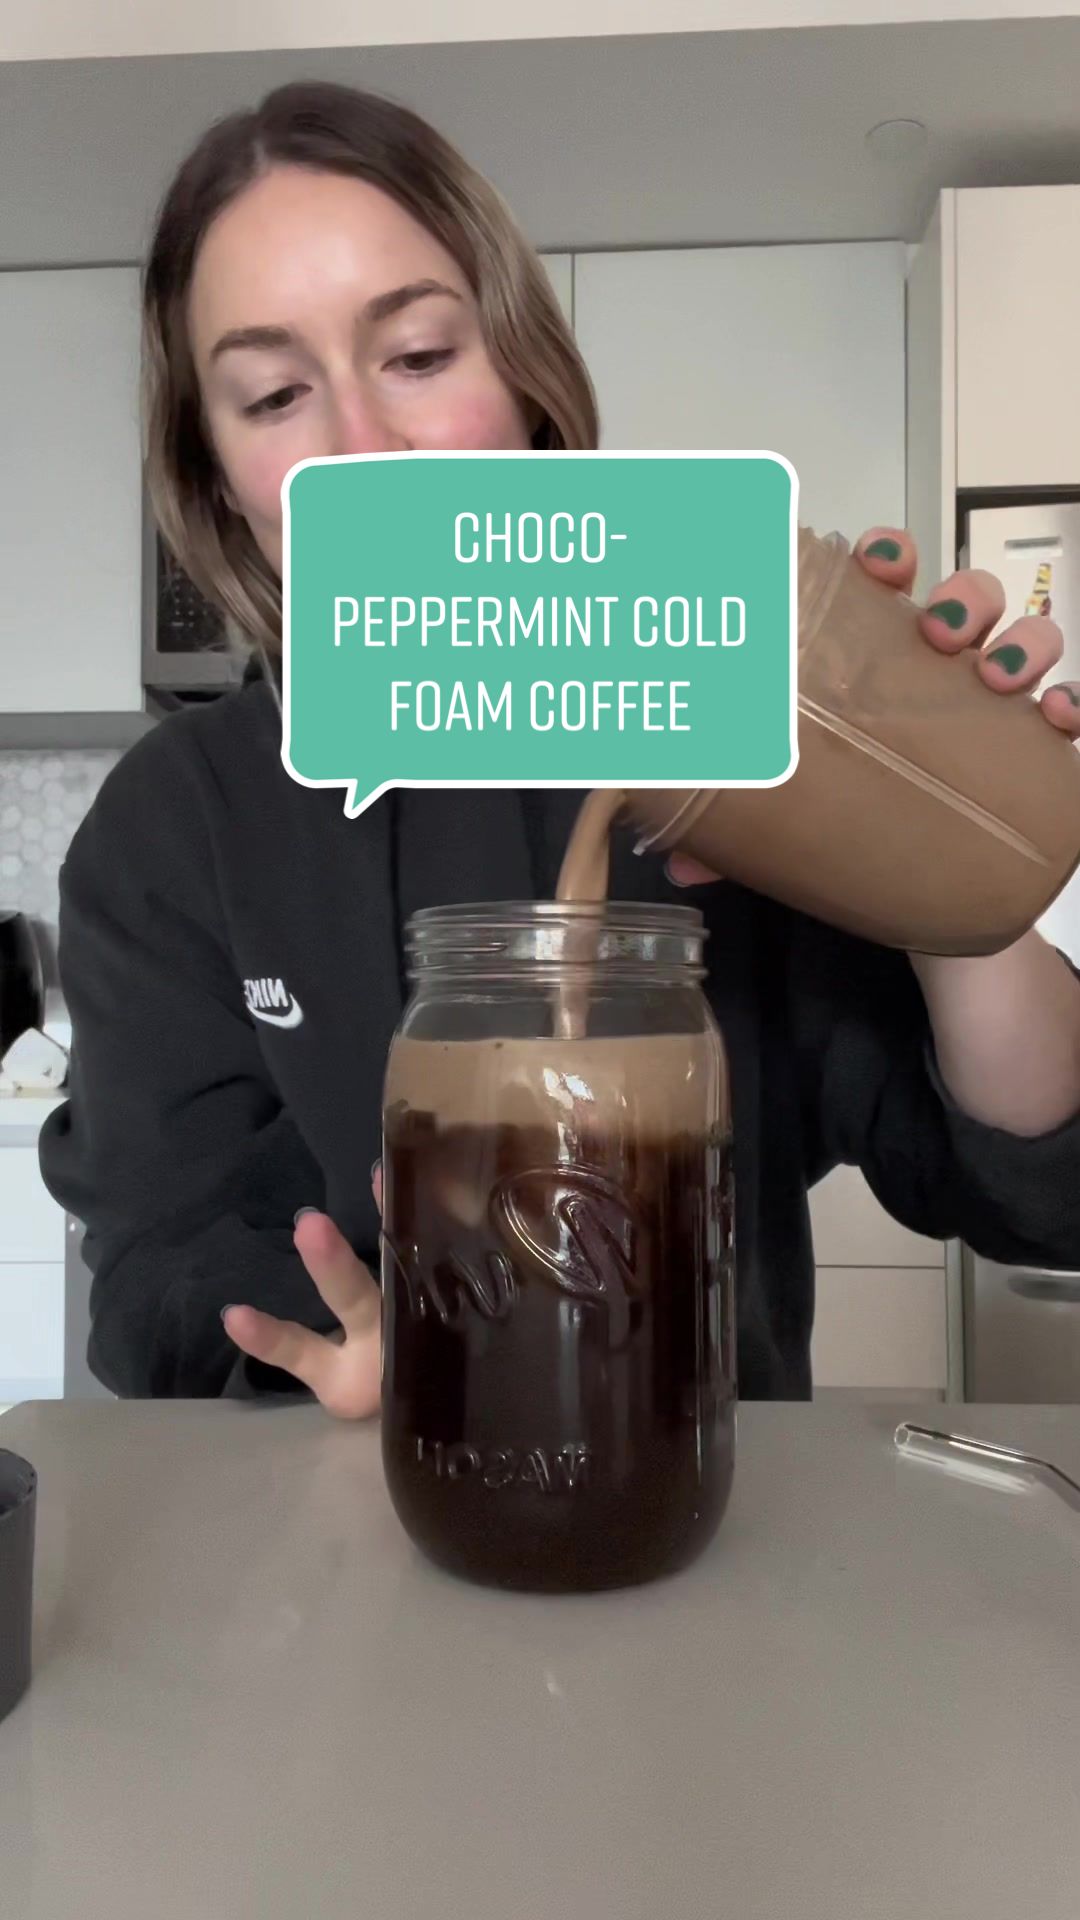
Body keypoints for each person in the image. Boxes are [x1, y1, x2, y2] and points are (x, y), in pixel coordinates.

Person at [39, 81, 1080, 1413]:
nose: (364, 449)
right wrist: (334, 1350)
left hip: (706, 1507)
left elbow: (1031, 1195)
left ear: (527, 381)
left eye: (419, 357)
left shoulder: (715, 727)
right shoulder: (176, 820)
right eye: (277, 393)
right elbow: (155, 1279)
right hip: (332, 1515)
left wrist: (943, 836)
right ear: (220, 480)